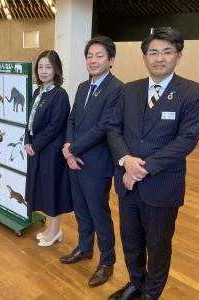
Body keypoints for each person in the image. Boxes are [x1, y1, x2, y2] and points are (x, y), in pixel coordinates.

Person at [107, 28, 199, 300]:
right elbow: (113, 128)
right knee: (131, 242)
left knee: (158, 246)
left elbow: (186, 140)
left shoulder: (192, 92)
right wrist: (126, 160)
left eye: (167, 51)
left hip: (162, 186)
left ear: (178, 56)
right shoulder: (130, 90)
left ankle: (151, 294)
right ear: (144, 57)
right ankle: (136, 284)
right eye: (153, 52)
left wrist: (142, 168)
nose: (159, 58)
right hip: (127, 185)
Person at [61, 36, 123, 287]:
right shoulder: (83, 87)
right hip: (74, 160)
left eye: (99, 56)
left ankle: (107, 261)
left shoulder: (118, 88)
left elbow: (104, 127)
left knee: (100, 214)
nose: (93, 60)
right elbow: (72, 119)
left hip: (96, 164)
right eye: (90, 56)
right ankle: (85, 248)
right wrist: (68, 148)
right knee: (82, 210)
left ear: (111, 60)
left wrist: (72, 149)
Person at [25, 50, 72, 247]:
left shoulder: (60, 94)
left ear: (56, 70)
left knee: (52, 191)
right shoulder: (38, 91)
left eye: (49, 67)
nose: (44, 71)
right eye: (41, 67)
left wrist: (35, 145)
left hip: (51, 151)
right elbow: (29, 119)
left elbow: (54, 126)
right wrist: (27, 140)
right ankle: (52, 228)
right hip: (37, 149)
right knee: (43, 190)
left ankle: (55, 230)